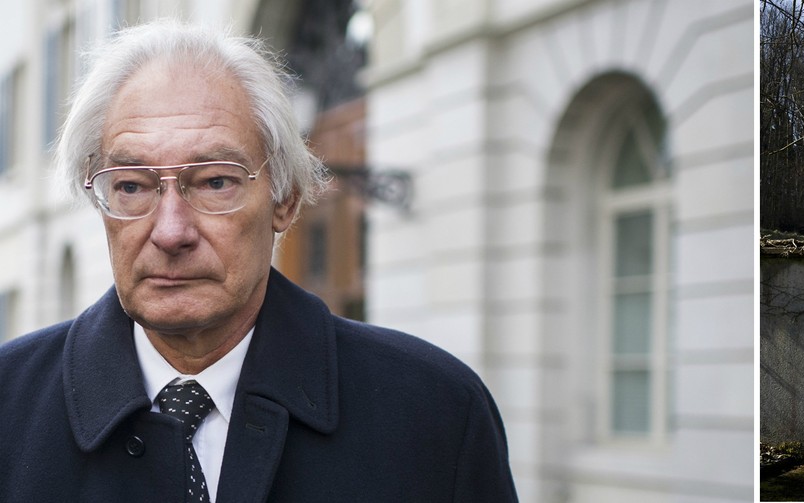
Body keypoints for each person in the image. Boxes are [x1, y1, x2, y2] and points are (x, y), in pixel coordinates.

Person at [0, 20, 518, 502]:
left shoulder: (437, 414)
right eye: (132, 185)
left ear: (286, 198)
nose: (171, 231)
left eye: (215, 181)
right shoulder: (10, 404)